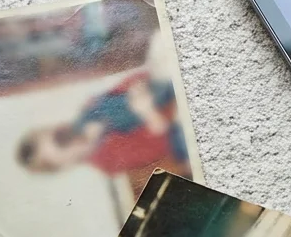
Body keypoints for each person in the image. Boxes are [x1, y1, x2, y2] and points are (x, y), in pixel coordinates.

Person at [17, 71, 190, 190]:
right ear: (66, 164)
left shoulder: (91, 110)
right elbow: (159, 145)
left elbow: (133, 81)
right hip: (173, 129)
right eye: (62, 142)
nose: (68, 134)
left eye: (59, 134)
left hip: (164, 93)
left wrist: (137, 87)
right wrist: (147, 112)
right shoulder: (109, 161)